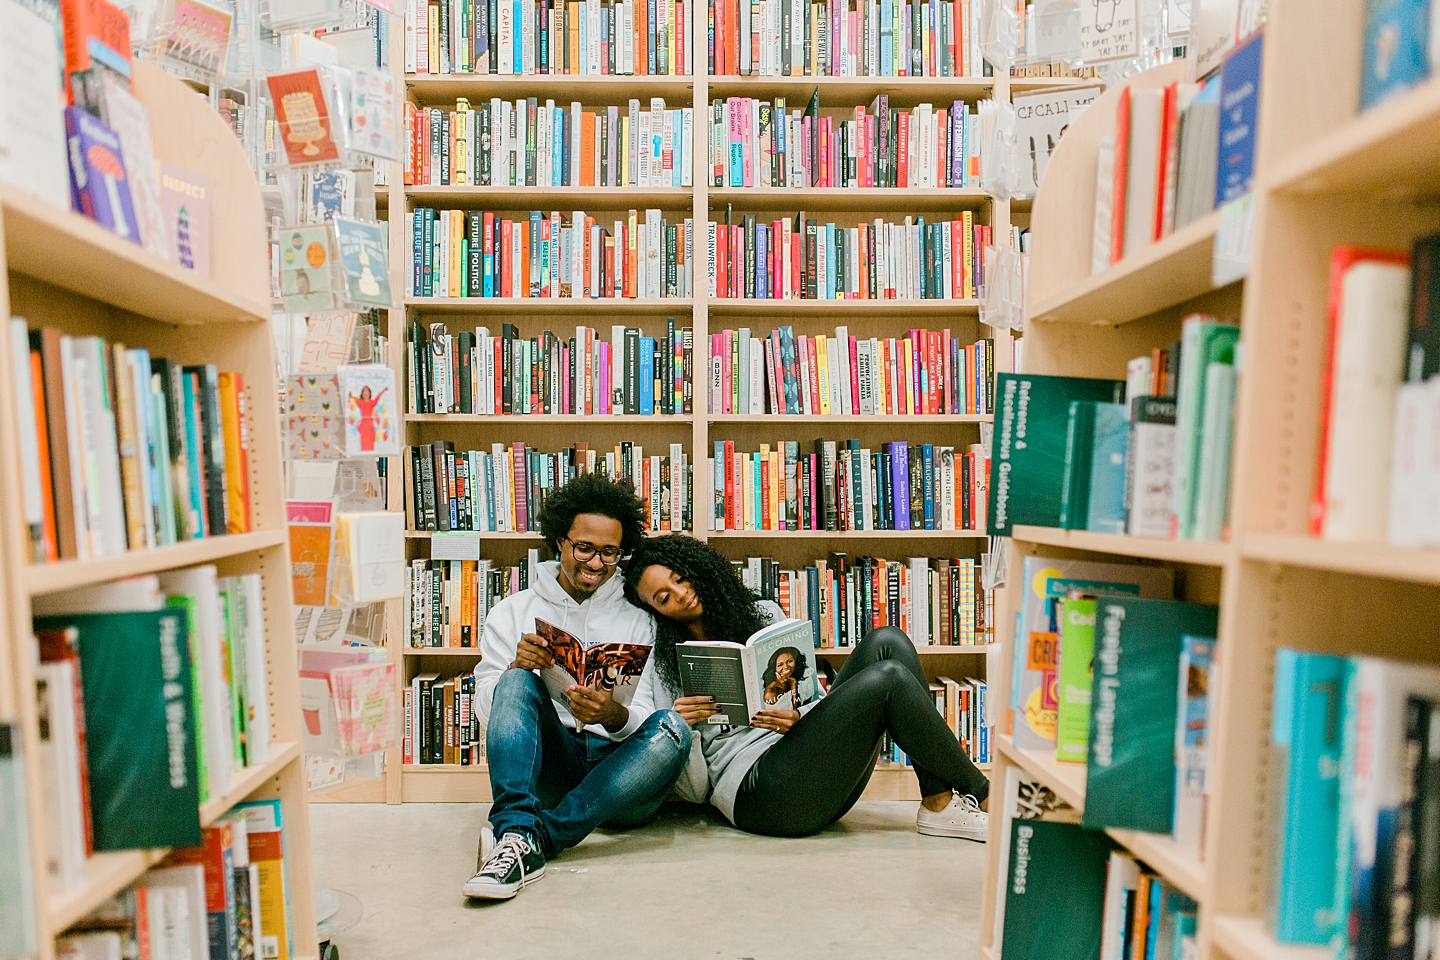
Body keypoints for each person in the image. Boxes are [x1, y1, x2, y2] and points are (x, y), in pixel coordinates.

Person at [621, 534, 990, 841]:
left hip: (809, 767)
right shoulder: (666, 662)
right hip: (759, 795)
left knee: (888, 641)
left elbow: (814, 701)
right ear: (657, 611)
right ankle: (987, 794)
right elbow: (696, 790)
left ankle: (938, 801)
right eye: (664, 597)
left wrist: (798, 715)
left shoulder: (764, 614)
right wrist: (680, 725)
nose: (681, 593)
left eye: (679, 578)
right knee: (888, 678)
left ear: (695, 567)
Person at [463, 475, 693, 901]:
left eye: (610, 552)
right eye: (584, 548)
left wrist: (612, 714)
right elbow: (487, 711)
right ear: (558, 542)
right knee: (513, 679)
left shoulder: (638, 617)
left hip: (621, 778)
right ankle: (518, 829)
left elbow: (643, 712)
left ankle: (527, 842)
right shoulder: (512, 611)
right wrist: (519, 666)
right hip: (552, 768)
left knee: (673, 727)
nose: (596, 563)